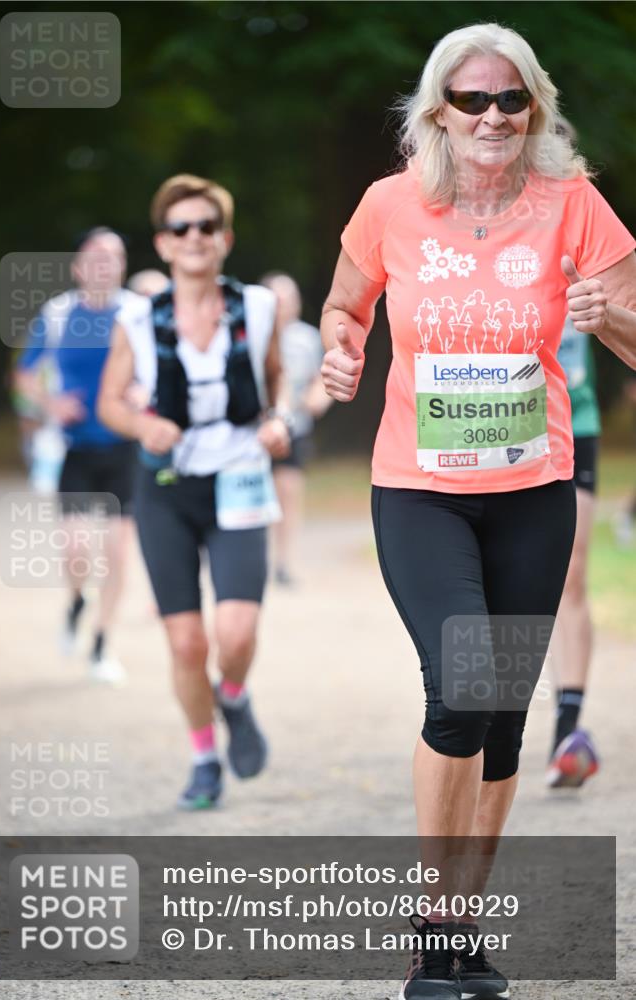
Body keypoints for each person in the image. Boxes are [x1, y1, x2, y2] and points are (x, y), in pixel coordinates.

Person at [320, 22, 636, 1000]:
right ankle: (429, 930)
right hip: (418, 488)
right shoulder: (390, 206)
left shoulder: (573, 204)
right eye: (471, 99)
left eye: (510, 99)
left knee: (501, 719)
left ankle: (463, 926)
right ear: (438, 112)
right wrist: (340, 350)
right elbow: (345, 306)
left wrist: (605, 316)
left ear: (532, 107)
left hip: (533, 491)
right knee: (458, 692)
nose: (491, 116)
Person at [98, 173, 290, 810]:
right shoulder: (135, 316)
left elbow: (277, 380)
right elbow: (110, 404)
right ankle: (204, 756)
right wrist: (143, 423)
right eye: (181, 228)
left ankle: (233, 696)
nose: (195, 238)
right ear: (162, 242)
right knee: (187, 641)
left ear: (225, 238)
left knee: (235, 636)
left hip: (238, 476)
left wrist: (279, 421)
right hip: (168, 488)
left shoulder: (257, 306)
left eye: (206, 226)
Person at [15, 227, 144, 684]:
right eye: (96, 255)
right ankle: (76, 602)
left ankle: (102, 645)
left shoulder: (137, 314)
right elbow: (26, 376)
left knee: (117, 549)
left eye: (114, 255)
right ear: (78, 267)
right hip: (75, 448)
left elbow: (157, 370)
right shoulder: (57, 314)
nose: (105, 262)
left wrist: (141, 395)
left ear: (123, 265)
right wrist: (50, 405)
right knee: (75, 548)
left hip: (125, 448)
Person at [546, 315, 601, 788]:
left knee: (571, 576)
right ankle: (488, 726)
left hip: (576, 419)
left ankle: (567, 730)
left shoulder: (586, 245)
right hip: (502, 425)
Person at [260, 272, 332, 585]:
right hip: (256, 431)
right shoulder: (251, 333)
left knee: (288, 493)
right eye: (276, 298)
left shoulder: (307, 338)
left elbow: (322, 377)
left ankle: (284, 563)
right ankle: (254, 560)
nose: (283, 305)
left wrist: (318, 399)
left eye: (288, 298)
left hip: (295, 428)